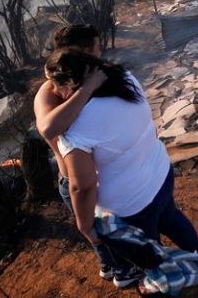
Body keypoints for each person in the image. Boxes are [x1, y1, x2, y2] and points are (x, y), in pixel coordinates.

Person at [45, 49, 198, 288]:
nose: (50, 92)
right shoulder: (125, 79)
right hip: (159, 174)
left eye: (52, 85)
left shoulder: (76, 131)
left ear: (68, 87)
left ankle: (164, 281)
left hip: (131, 204)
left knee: (147, 250)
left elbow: (82, 186)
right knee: (171, 218)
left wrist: (85, 225)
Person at [33, 25, 134, 287]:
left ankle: (109, 265)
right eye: (95, 49)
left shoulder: (81, 81)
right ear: (82, 53)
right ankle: (124, 270)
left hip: (90, 175)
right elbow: (49, 128)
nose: (99, 53)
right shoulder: (53, 90)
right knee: (99, 230)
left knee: (98, 231)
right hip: (75, 179)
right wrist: (87, 88)